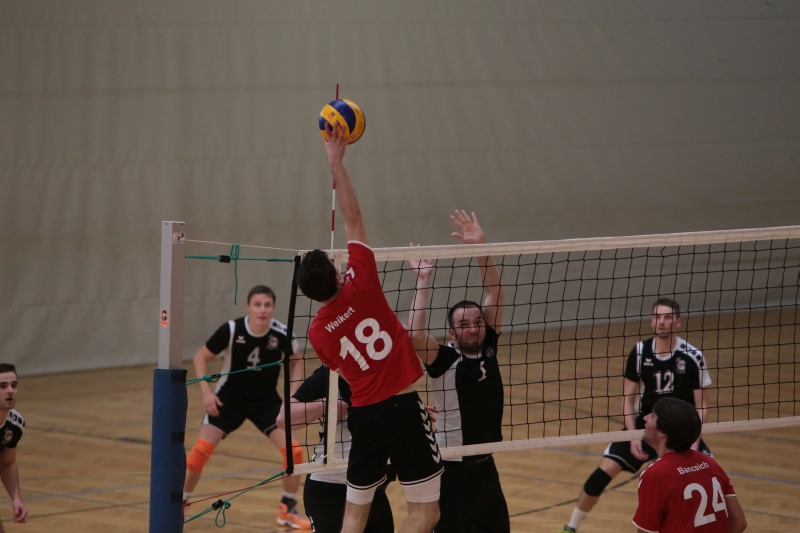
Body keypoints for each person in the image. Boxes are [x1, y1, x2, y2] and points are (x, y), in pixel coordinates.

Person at [297, 123, 443, 533]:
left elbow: (342, 372)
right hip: (402, 408)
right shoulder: (362, 282)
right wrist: (336, 162)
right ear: (338, 274)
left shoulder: (317, 333)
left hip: (363, 419)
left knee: (354, 517)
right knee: (425, 513)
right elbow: (353, 217)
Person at [559, 297, 712, 533]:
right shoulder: (640, 352)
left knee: (708, 478)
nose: (662, 322)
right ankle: (571, 527)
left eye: (667, 317)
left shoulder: (693, 356)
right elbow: (628, 400)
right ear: (652, 322)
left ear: (678, 322)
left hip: (680, 433)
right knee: (602, 473)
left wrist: (693, 444)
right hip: (645, 427)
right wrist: (632, 437)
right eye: (657, 317)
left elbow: (701, 407)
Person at [407, 210, 509, 533]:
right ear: (451, 333)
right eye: (464, 324)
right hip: (451, 470)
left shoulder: (488, 346)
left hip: (485, 466)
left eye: (477, 321)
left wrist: (481, 248)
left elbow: (495, 291)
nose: (473, 328)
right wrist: (422, 281)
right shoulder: (444, 360)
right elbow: (414, 335)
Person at [183, 285, 311, 530]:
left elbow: (296, 361)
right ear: (248, 307)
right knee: (199, 453)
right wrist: (206, 392)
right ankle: (180, 502)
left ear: (273, 308)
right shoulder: (232, 329)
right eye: (257, 305)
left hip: (266, 402)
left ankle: (287, 509)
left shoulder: (283, 333)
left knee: (294, 452)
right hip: (228, 400)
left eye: (267, 305)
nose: (262, 310)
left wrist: (292, 397)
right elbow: (201, 357)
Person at [277, 364, 395, 533]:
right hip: (330, 487)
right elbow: (283, 419)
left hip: (372, 485)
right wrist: (326, 405)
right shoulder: (331, 372)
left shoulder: (386, 369)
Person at [633, 397, 747, 532]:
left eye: (652, 415)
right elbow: (739, 523)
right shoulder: (709, 463)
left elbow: (646, 530)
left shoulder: (654, 475)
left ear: (663, 432)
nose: (645, 418)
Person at [0, 364, 27, 532]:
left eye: (14, 385)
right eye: (2, 386)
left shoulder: (15, 424)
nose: (10, 391)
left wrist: (16, 499)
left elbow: (7, 462)